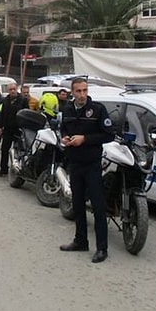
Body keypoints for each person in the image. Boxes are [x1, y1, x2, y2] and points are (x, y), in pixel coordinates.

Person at [58, 78, 115, 263]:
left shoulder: (97, 110)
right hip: (75, 163)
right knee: (78, 204)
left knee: (98, 207)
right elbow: (63, 128)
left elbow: (108, 135)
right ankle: (80, 240)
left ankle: (102, 248)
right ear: (72, 92)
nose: (82, 94)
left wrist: (85, 139)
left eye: (85, 90)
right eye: (78, 91)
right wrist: (66, 138)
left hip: (92, 164)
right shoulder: (67, 109)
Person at [0, 84, 27, 176]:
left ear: (17, 89)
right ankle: (3, 168)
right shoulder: (5, 100)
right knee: (4, 149)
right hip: (8, 129)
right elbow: (2, 115)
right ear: (8, 90)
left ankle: (20, 169)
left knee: (19, 150)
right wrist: (0, 126)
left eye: (14, 89)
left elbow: (27, 113)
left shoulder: (23, 100)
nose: (12, 91)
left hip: (19, 129)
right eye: (10, 89)